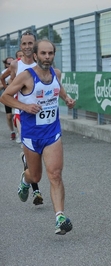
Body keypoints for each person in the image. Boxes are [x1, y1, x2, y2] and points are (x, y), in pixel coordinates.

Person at [0, 39, 75, 235]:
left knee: (55, 175)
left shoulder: (56, 73)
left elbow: (58, 87)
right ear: (35, 55)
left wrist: (67, 98)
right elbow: (5, 96)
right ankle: (25, 181)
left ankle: (60, 217)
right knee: (36, 176)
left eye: (50, 53)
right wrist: (25, 107)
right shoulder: (26, 76)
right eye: (43, 53)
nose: (47, 57)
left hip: (52, 133)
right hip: (32, 135)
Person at [2, 32, 44, 205]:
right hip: (22, 114)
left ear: (35, 45)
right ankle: (36, 191)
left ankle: (27, 174)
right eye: (24, 43)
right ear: (20, 46)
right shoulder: (14, 65)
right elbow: (10, 86)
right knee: (30, 148)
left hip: (40, 115)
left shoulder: (42, 62)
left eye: (30, 43)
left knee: (38, 154)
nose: (27, 46)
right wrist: (17, 101)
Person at [0, 56, 16, 140]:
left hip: (18, 96)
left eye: (12, 63)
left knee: (19, 115)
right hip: (9, 96)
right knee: (9, 116)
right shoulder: (4, 73)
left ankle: (21, 134)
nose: (10, 65)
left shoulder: (19, 70)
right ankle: (12, 131)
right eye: (8, 64)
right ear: (5, 65)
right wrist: (6, 85)